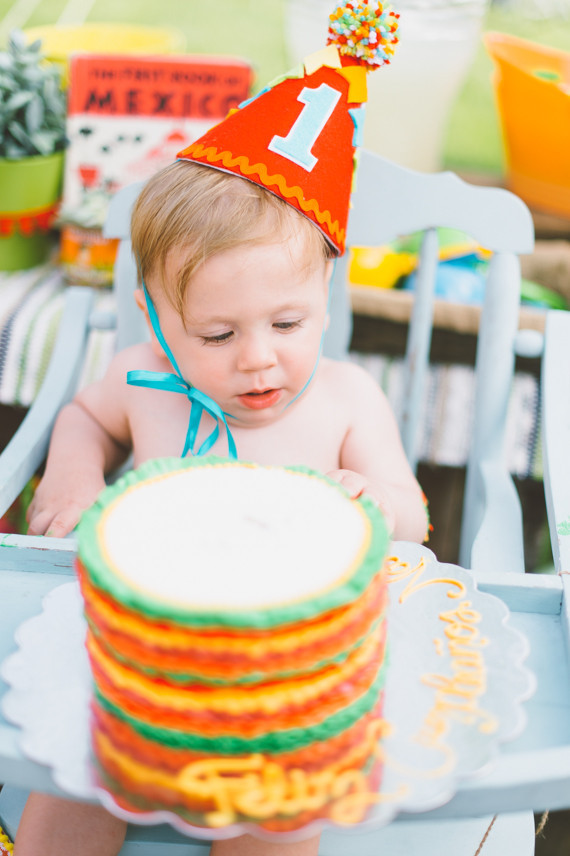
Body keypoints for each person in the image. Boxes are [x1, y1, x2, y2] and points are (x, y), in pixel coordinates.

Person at [17, 4, 426, 852]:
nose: (257, 362)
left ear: (326, 302)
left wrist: (369, 500)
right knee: (72, 779)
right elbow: (85, 416)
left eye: (288, 324)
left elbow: (412, 516)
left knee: (276, 821)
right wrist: (74, 474)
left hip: (283, 685)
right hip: (148, 668)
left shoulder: (347, 398)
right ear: (158, 319)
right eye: (216, 335)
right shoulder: (148, 384)